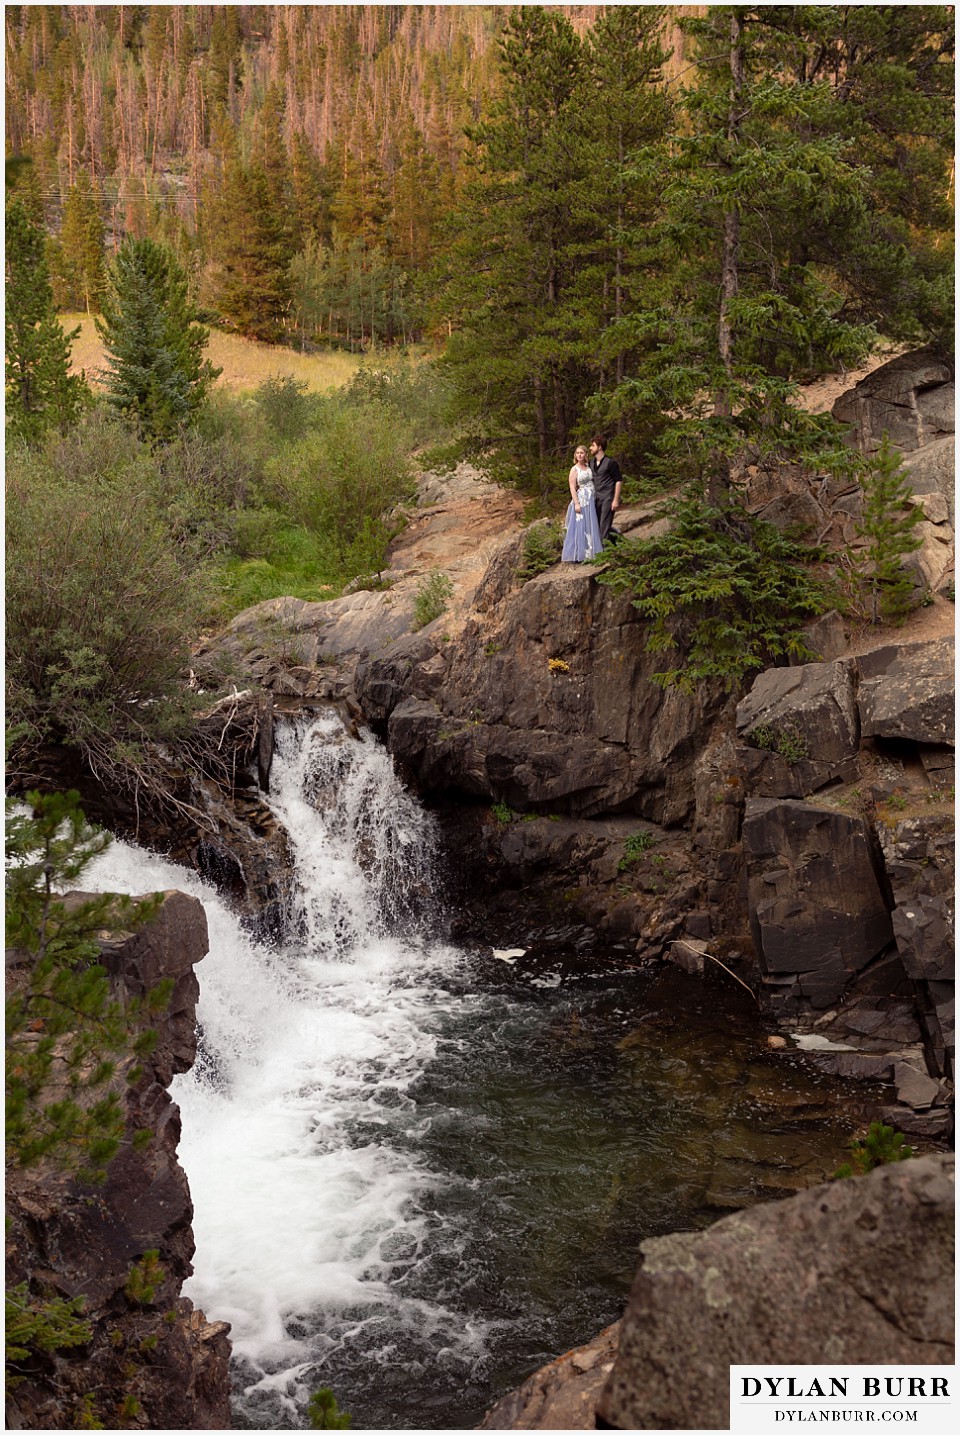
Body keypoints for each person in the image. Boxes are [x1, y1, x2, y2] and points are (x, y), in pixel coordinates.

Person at [561, 444, 603, 562]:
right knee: (582, 526)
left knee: (592, 524)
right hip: (582, 499)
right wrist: (576, 503)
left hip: (592, 498)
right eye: (577, 453)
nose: (579, 455)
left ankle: (593, 551)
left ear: (585, 455)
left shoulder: (589, 467)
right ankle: (582, 554)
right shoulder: (574, 469)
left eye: (582, 453)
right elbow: (572, 487)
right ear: (575, 455)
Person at [589, 434, 622, 543]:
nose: (590, 448)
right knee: (597, 524)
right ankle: (618, 538)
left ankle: (605, 552)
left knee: (604, 524)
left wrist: (616, 500)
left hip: (608, 498)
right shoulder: (591, 463)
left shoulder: (611, 463)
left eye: (593, 445)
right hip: (595, 498)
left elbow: (618, 481)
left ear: (599, 447)